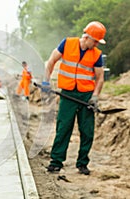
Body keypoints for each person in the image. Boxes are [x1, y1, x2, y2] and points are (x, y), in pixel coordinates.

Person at [42, 21, 106, 175]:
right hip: (68, 93)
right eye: (96, 40)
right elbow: (51, 62)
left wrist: (95, 97)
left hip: (86, 96)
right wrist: (46, 81)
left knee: (87, 131)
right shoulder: (67, 43)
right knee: (63, 128)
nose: (97, 44)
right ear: (87, 37)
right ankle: (56, 162)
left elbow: (100, 78)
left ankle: (82, 163)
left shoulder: (96, 54)